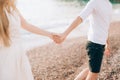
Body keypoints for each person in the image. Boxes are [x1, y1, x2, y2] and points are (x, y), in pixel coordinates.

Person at [53, 0, 112, 80]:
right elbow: (80, 18)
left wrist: (107, 43)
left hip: (100, 44)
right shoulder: (94, 2)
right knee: (93, 74)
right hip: (95, 44)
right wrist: (65, 34)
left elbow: (106, 26)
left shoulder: (108, 4)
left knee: (90, 70)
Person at [0, 0, 55, 80]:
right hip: (6, 54)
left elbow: (27, 25)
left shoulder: (13, 9)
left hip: (19, 53)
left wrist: (50, 34)